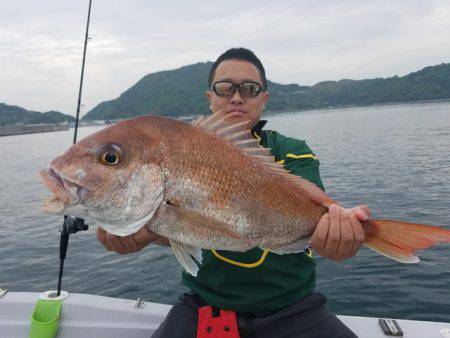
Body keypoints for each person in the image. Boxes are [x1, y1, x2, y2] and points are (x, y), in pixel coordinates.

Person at [97, 48, 371, 338]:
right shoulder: (182, 152)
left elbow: (315, 226)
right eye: (225, 88)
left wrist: (338, 234)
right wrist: (147, 233)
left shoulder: (293, 152)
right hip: (205, 306)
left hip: (293, 308)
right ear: (210, 98)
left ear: (264, 98)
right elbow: (191, 230)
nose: (237, 97)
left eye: (250, 89)